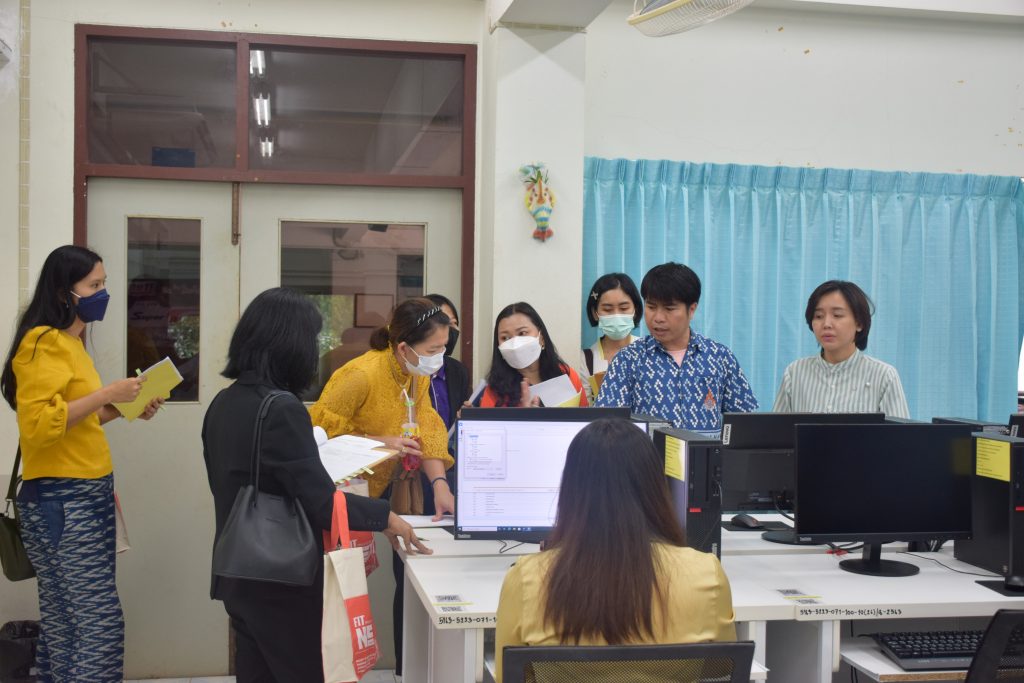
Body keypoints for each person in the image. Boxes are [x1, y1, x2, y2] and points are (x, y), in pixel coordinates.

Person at [202, 287, 429, 682]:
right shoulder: (282, 408)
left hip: (238, 570)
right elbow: (321, 503)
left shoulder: (223, 403)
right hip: (283, 580)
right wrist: (387, 518)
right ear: (291, 345)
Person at [1, 245, 164, 682]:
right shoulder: (42, 342)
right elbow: (38, 425)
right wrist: (108, 393)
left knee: (66, 620)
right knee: (98, 623)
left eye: (104, 283)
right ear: (64, 293)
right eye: (94, 285)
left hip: (80, 493)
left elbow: (75, 419)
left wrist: (128, 407)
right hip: (63, 498)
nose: (102, 292)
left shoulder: (71, 344)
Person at [494, 418, 735, 682]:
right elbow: (722, 667)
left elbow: (511, 676)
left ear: (572, 490)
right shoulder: (707, 574)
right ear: (656, 487)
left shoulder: (527, 579)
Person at [309, 297, 455, 515]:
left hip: (388, 486)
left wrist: (440, 485)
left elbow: (427, 425)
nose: (440, 358)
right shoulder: (360, 376)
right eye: (433, 350)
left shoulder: (416, 372)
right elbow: (320, 437)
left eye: (443, 347)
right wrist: (381, 443)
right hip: (346, 492)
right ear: (403, 349)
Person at [596, 262, 757, 434]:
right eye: (651, 307)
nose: (658, 318)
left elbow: (746, 422)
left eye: (669, 308)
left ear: (692, 309)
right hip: (649, 452)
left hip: (707, 452)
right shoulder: (628, 360)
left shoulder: (719, 357)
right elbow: (607, 426)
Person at [773, 280, 910, 418]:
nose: (826, 324)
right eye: (819, 316)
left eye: (837, 315)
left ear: (859, 323)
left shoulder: (884, 376)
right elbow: (776, 429)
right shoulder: (795, 373)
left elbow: (901, 431)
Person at [477, 302, 589, 408]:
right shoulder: (494, 391)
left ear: (541, 338)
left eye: (522, 333)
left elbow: (586, 417)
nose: (514, 343)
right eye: (505, 338)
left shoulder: (565, 374)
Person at [579, 273, 642, 402]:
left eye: (624, 308)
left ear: (635, 310)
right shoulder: (585, 359)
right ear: (595, 313)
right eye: (607, 309)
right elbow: (585, 407)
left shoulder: (648, 351)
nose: (616, 315)